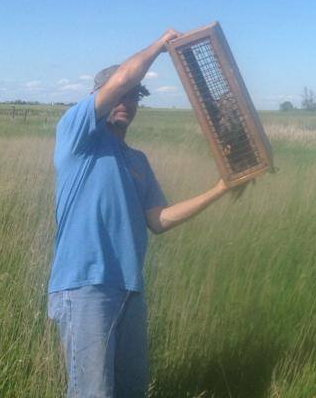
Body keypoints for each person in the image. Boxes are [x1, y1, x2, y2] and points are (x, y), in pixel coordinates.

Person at [47, 29, 242, 397]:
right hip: (85, 287)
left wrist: (220, 188)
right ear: (97, 96)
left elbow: (159, 220)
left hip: (129, 288)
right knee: (93, 392)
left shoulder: (138, 161)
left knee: (131, 391)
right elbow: (123, 77)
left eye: (134, 96)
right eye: (120, 93)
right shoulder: (77, 135)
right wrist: (160, 46)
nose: (126, 99)